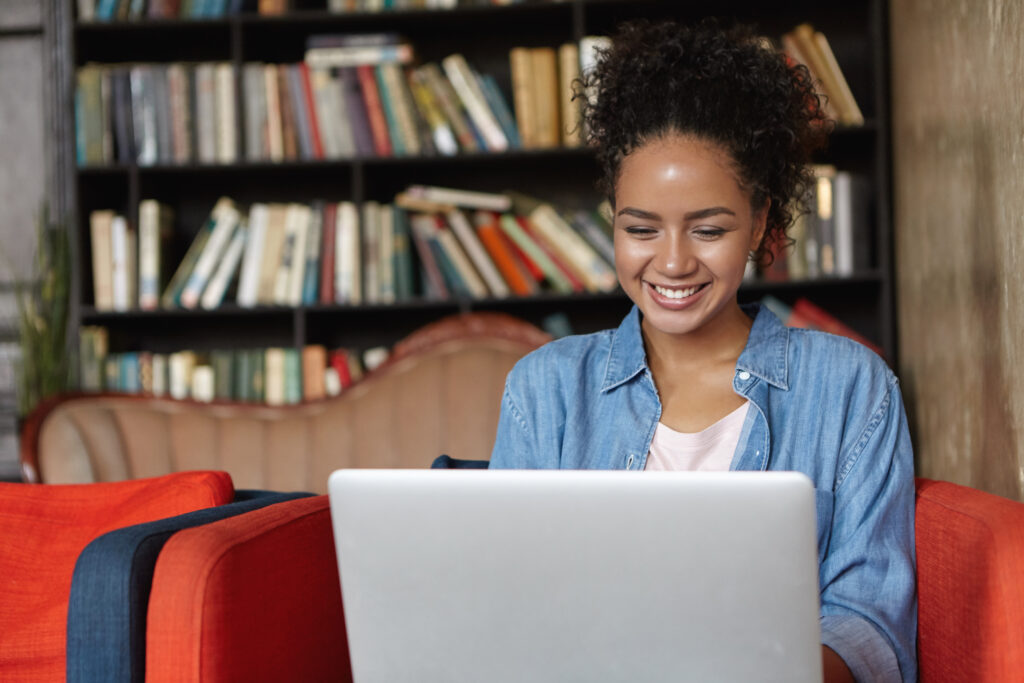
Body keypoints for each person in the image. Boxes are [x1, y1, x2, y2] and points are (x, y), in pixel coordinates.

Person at [489, 19, 916, 683]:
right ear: (613, 220)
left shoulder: (850, 387)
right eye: (641, 228)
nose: (674, 261)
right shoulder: (544, 390)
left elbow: (870, 626)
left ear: (762, 223)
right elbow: (504, 609)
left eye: (709, 228)